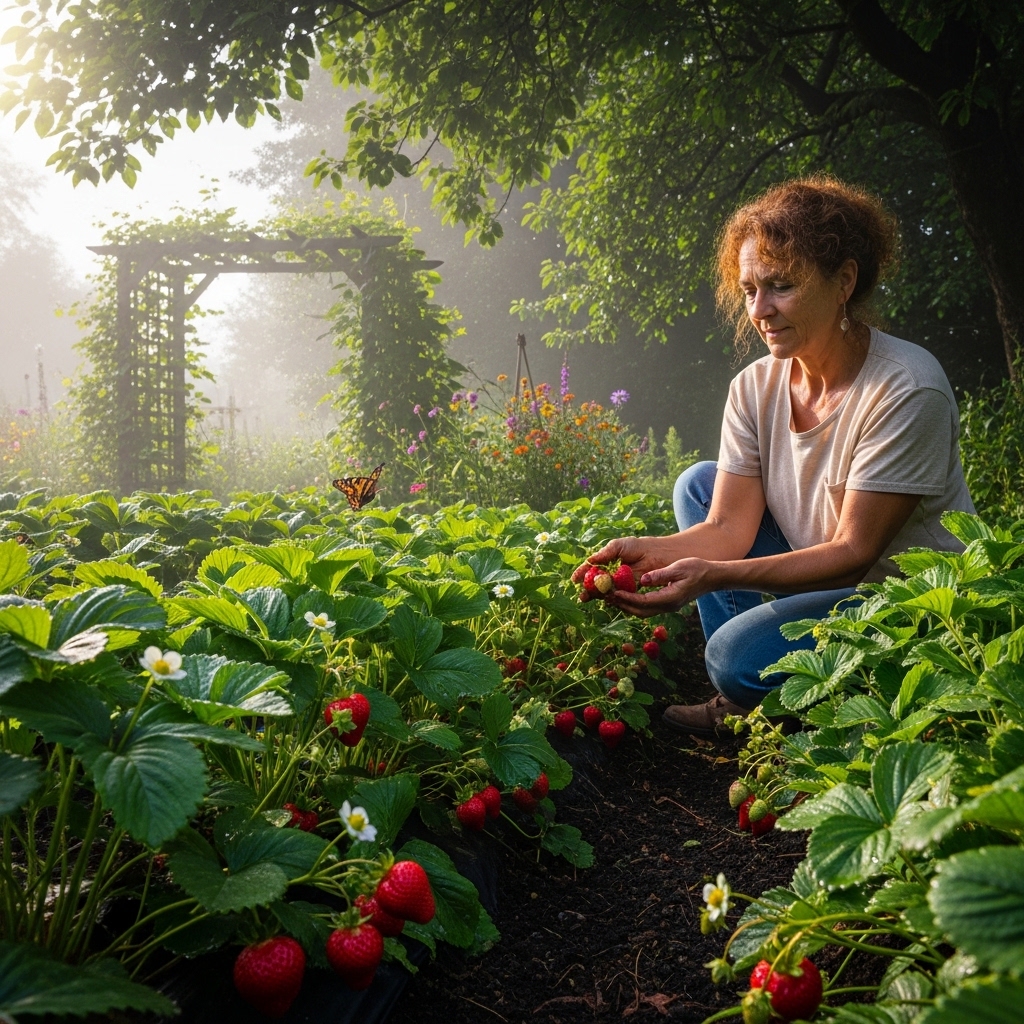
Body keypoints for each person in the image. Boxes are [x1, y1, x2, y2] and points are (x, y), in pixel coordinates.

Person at [573, 176, 974, 736]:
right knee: (700, 485)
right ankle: (761, 699)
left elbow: (857, 555)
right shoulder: (754, 387)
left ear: (843, 282)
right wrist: (653, 553)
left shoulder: (905, 389)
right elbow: (727, 527)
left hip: (904, 605)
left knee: (731, 659)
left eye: (780, 285)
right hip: (826, 576)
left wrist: (709, 577)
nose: (760, 310)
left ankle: (782, 692)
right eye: (748, 290)